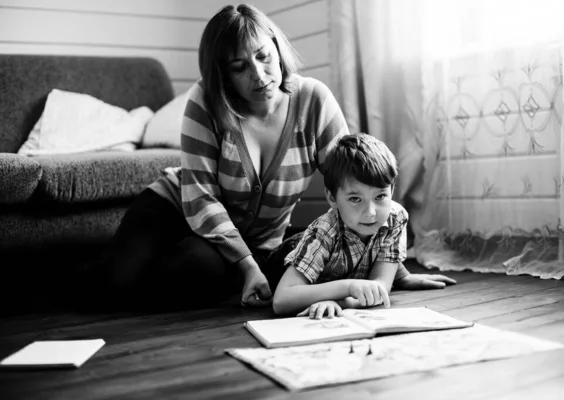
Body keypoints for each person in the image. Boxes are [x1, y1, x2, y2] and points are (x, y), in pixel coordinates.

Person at [81, 4, 350, 310]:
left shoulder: (314, 100)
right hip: (174, 209)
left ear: (277, 46)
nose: (259, 75)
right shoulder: (205, 101)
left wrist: (387, 262)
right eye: (240, 67)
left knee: (199, 268)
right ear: (224, 75)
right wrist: (249, 268)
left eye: (263, 55)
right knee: (110, 289)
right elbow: (201, 196)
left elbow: (349, 181)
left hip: (249, 243)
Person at [272, 133, 457, 319]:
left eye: (380, 196)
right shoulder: (323, 232)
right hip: (280, 261)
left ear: (392, 189)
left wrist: (339, 302)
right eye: (355, 199)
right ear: (332, 198)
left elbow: (379, 288)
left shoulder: (395, 217)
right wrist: (349, 287)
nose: (370, 213)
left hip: (339, 271)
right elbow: (282, 301)